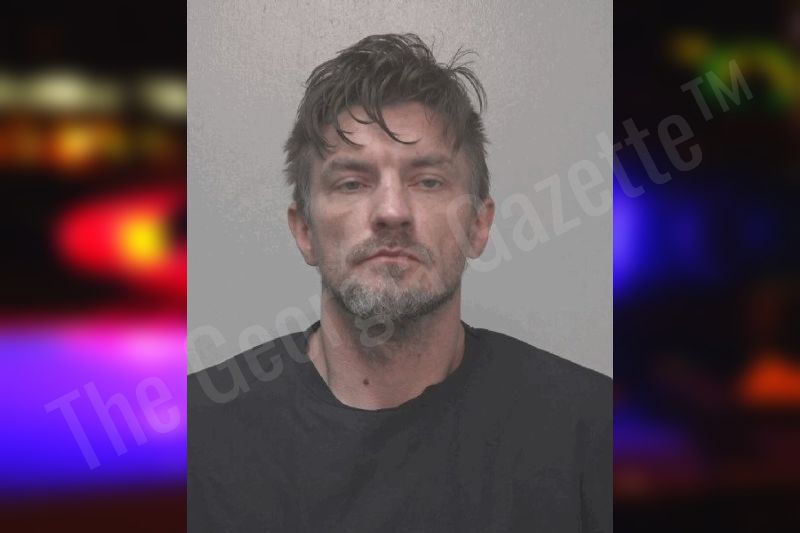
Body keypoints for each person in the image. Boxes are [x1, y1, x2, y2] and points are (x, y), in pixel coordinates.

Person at [188, 33, 611, 532]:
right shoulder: (194, 439)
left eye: (428, 181)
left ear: (478, 226)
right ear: (304, 231)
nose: (392, 211)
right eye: (352, 182)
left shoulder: (594, 431)